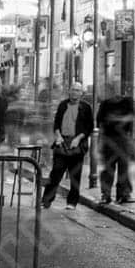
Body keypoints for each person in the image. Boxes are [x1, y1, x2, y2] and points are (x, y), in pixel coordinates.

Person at [41, 82, 93, 210]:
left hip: (77, 143)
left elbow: (89, 127)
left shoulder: (86, 107)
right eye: (73, 89)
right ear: (69, 91)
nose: (75, 92)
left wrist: (79, 138)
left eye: (78, 90)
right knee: (55, 173)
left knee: (75, 175)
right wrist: (58, 135)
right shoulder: (63, 105)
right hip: (62, 142)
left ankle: (72, 202)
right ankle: (46, 200)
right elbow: (56, 123)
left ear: (81, 93)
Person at [96, 83, 135, 205]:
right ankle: (106, 194)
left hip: (123, 138)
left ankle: (124, 194)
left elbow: (134, 116)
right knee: (109, 168)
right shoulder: (105, 103)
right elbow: (100, 122)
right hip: (110, 139)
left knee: (123, 167)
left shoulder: (128, 102)